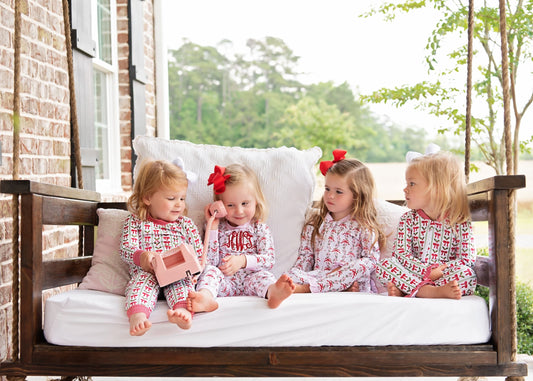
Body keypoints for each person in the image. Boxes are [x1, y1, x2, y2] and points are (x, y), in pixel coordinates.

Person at [266, 149, 385, 308]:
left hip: (347, 277)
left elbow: (371, 261)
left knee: (362, 264)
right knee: (291, 274)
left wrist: (341, 273)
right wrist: (292, 278)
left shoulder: (363, 226)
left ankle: (307, 290)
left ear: (357, 195)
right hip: (318, 276)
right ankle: (286, 289)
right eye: (327, 189)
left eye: (338, 192)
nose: (330, 196)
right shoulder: (316, 224)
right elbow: (305, 260)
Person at [120, 159, 216, 336]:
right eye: (171, 199)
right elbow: (126, 247)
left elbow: (200, 254)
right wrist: (141, 257)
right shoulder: (135, 222)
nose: (179, 204)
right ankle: (138, 316)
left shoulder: (186, 224)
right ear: (147, 197)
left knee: (183, 288)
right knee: (139, 286)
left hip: (177, 273)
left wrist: (196, 271)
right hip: (148, 273)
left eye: (182, 198)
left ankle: (183, 313)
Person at [375, 147, 477, 299]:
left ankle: (411, 289)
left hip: (444, 276)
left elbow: (466, 259)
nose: (405, 189)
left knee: (467, 275)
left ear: (436, 188)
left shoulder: (460, 222)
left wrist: (440, 270)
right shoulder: (408, 220)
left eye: (412, 184)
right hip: (414, 273)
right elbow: (401, 255)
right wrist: (426, 271)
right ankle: (428, 291)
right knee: (385, 266)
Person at [187, 163, 276, 312]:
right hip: (225, 282)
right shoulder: (217, 228)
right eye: (230, 205)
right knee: (210, 271)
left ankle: (274, 293)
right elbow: (210, 261)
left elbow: (269, 260)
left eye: (245, 203)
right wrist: (213, 227)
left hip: (251, 280)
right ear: (220, 204)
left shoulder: (259, 228)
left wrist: (243, 260)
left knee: (265, 276)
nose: (239, 211)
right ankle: (205, 297)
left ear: (256, 201)